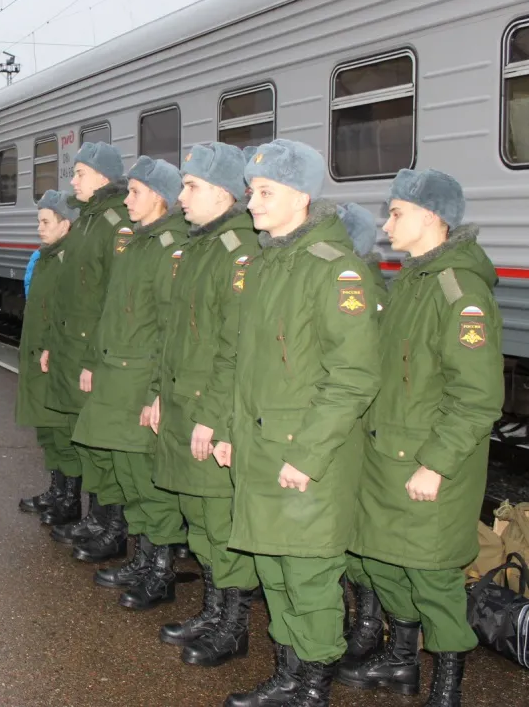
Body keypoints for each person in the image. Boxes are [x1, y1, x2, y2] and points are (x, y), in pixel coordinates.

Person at [224, 139, 381, 707]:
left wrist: (308, 456)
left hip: (306, 457)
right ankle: (288, 675)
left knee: (309, 577)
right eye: (250, 190)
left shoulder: (334, 271)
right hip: (261, 447)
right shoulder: (269, 261)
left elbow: (354, 378)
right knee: (274, 568)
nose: (252, 202)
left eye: (265, 192)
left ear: (302, 197)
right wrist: (229, 433)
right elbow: (248, 367)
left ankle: (312, 687)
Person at [339, 170, 503, 707]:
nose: (385, 225)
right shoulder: (412, 280)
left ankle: (448, 686)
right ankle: (402, 663)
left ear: (431, 217)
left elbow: (476, 397)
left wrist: (435, 464)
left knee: (432, 578)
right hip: (387, 457)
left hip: (429, 463)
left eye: (396, 213)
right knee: (383, 564)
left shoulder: (461, 292)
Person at [149, 142, 261, 666]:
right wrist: (160, 393)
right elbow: (176, 333)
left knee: (219, 520)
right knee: (198, 514)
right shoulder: (199, 245)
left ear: (219, 192)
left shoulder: (237, 250)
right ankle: (213, 611)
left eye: (190, 186)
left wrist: (214, 418)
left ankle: (232, 625)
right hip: (183, 402)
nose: (181, 194)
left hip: (207, 408)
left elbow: (233, 347)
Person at [70, 157, 188, 612]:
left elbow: (168, 327)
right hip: (116, 375)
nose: (128, 199)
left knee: (146, 479)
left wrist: (157, 392)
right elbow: (112, 310)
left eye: (136, 192)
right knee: (125, 472)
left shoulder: (168, 246)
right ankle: (143, 560)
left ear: (158, 196)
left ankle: (159, 571)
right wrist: (93, 362)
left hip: (139, 380)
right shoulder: (137, 243)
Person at [42, 142, 131, 548]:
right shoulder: (89, 221)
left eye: (79, 172)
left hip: (93, 351)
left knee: (99, 441)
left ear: (101, 176)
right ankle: (98, 519)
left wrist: (96, 356)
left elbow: (115, 298)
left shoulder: (114, 222)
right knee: (85, 437)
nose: (72, 179)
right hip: (73, 347)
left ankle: (110, 525)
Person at [334, 200, 390, 667]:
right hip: (362, 423)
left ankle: (367, 625)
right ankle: (359, 622)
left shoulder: (358, 282)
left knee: (358, 533)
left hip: (365, 425)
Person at [16, 190, 82, 524]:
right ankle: (57, 491)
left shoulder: (69, 261)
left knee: (61, 430)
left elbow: (69, 312)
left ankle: (69, 501)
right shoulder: (45, 256)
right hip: (37, 355)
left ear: (65, 224)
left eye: (45, 221)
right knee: (47, 430)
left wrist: (52, 347)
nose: (39, 228)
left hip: (54, 357)